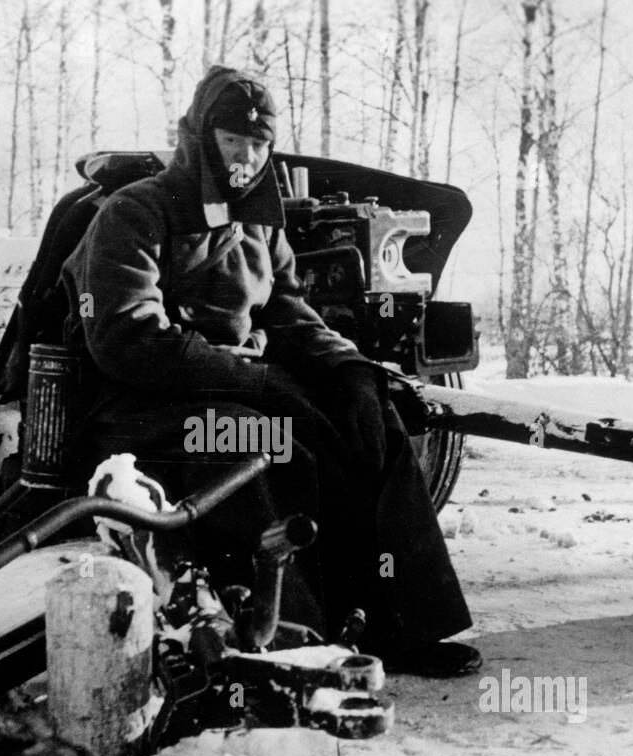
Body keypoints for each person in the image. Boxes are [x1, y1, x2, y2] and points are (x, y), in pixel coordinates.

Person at [60, 65, 481, 676]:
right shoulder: (136, 212)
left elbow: (287, 311)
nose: (247, 158)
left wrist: (349, 367)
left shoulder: (259, 220)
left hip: (230, 392)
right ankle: (290, 644)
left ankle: (402, 625)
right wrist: (252, 380)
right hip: (136, 411)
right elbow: (127, 341)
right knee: (268, 444)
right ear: (203, 138)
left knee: (371, 424)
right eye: (235, 142)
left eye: (260, 145)